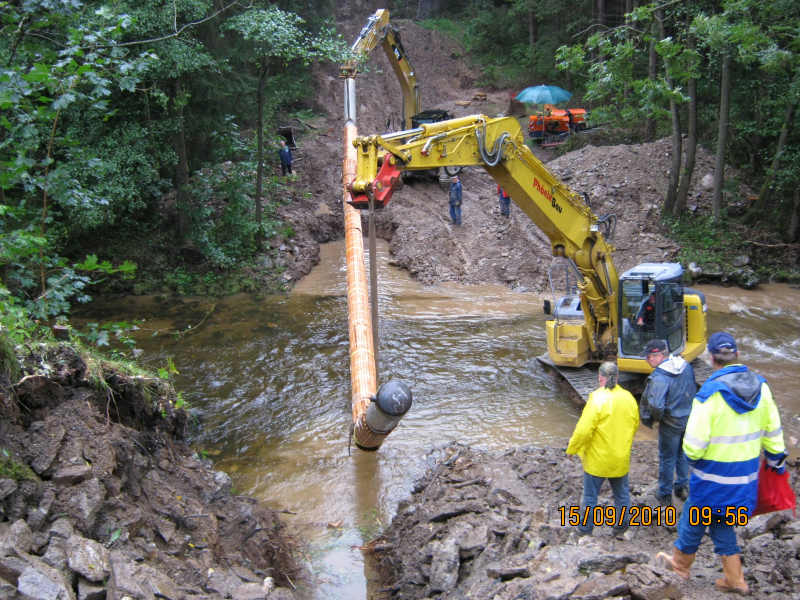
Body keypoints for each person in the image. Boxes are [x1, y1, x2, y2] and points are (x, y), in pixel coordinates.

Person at [656, 331, 787, 594]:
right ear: (737, 355)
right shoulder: (762, 388)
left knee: (695, 516)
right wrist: (776, 462)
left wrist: (691, 458)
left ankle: (680, 565)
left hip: (712, 478)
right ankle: (734, 579)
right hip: (745, 479)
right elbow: (774, 433)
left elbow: (693, 445)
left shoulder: (710, 394)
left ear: (712, 360)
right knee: (722, 520)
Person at [566, 361, 639, 537]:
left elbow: (583, 430)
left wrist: (572, 448)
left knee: (590, 497)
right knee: (621, 495)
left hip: (597, 459)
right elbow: (634, 424)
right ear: (618, 377)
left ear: (600, 378)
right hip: (620, 457)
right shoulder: (628, 398)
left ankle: (585, 530)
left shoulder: (597, 399)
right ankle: (621, 527)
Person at [640, 339, 697, 505]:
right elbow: (692, 388)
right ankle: (682, 486)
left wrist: (658, 418)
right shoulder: (685, 366)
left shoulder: (660, 377)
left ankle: (664, 493)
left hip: (671, 422)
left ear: (658, 356)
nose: (647, 360)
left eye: (649, 357)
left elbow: (656, 405)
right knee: (683, 453)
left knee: (667, 457)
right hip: (688, 418)